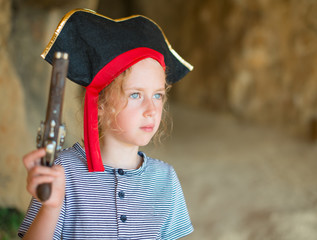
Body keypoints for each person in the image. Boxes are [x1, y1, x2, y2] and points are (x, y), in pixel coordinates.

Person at [18, 8, 194, 239]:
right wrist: (51, 207)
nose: (151, 110)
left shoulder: (165, 179)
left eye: (158, 95)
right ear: (100, 104)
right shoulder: (63, 171)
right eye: (135, 95)